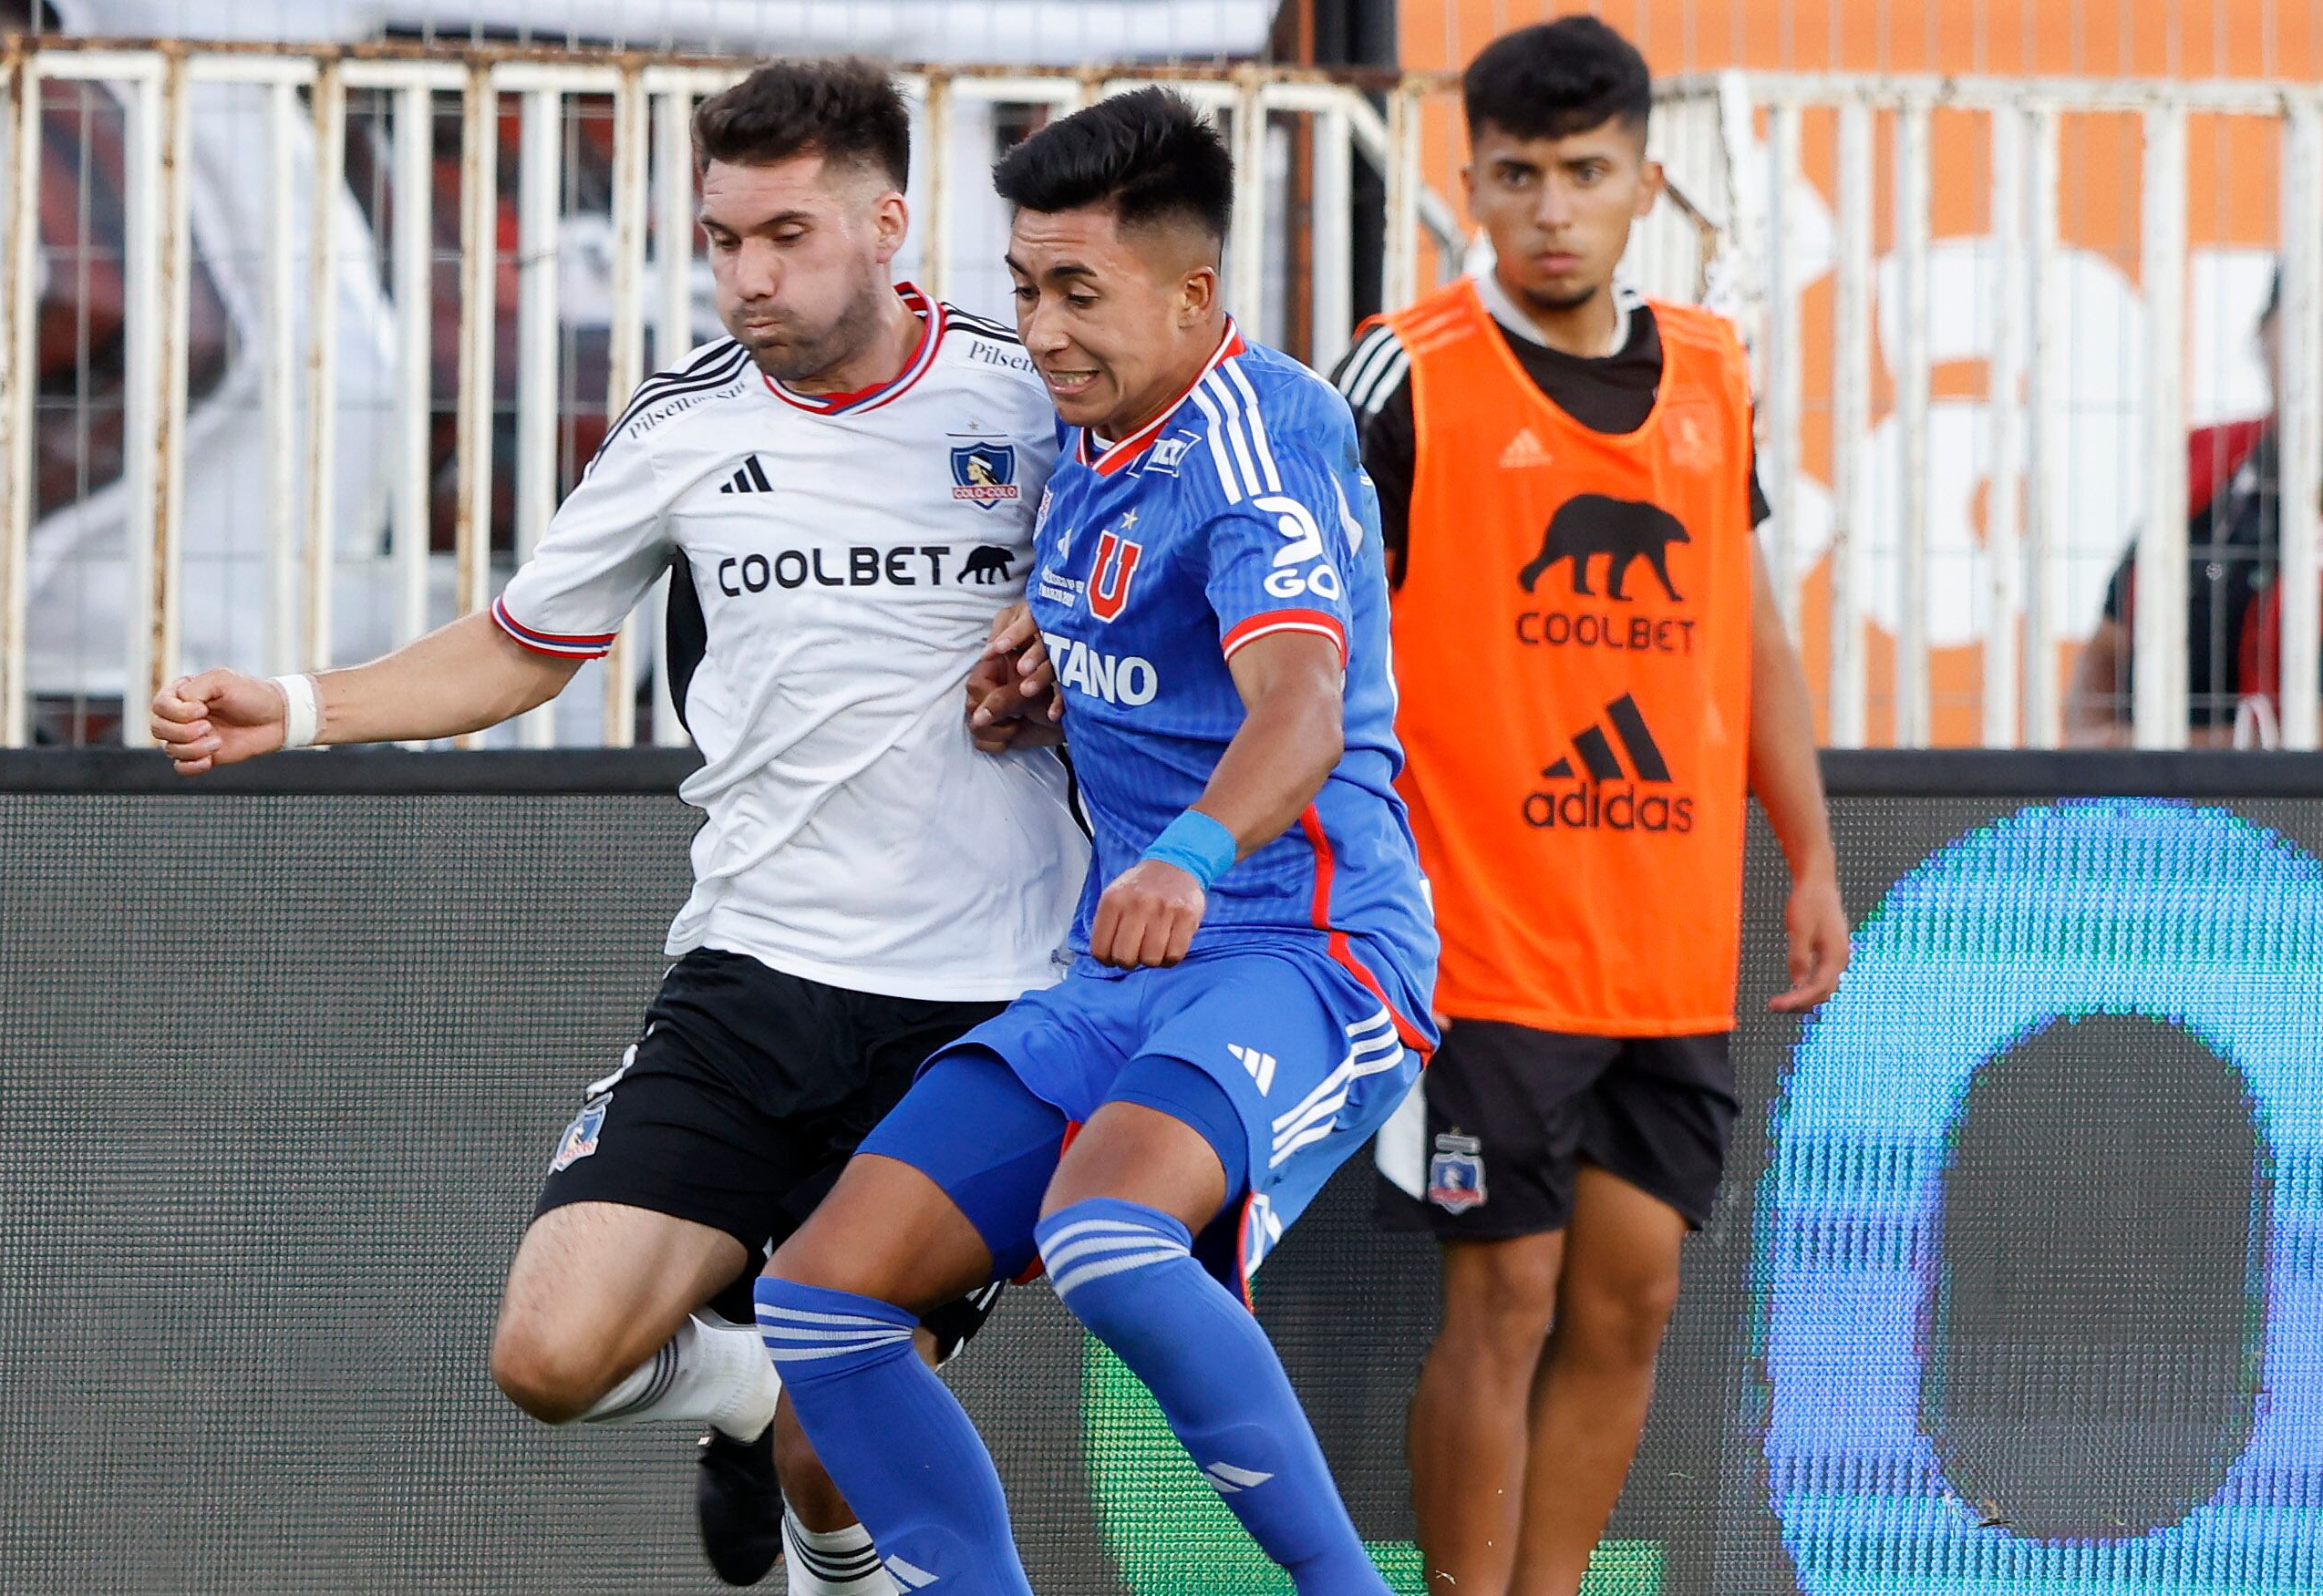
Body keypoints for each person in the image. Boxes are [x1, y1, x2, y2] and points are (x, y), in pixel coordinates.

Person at [148, 58, 1086, 1596]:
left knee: (834, 1446)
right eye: (722, 238)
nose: (747, 275)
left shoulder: (1028, 397)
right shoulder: (681, 427)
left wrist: (1057, 627)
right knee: (549, 1354)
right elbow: (524, 642)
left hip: (981, 1006)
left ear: (888, 221)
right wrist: (298, 707)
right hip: (753, 979)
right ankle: (744, 1386)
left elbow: (1168, 585)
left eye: (785, 234)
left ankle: (801, 1462)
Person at [751, 88, 1439, 1596]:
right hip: (1120, 969)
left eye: (1078, 292)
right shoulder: (1094, 436)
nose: (1041, 328)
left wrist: (1188, 850)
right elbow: (1145, 641)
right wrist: (1040, 675)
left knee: (1106, 1239)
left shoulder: (1264, 441)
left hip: (1302, 949)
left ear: (1193, 292)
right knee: (817, 1302)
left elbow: (1302, 703)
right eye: (1021, 288)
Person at [1324, 17, 1848, 1595]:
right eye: (1516, 175)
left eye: (1583, 173)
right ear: (1468, 179)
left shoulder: (1709, 373)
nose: (1549, 208)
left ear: (1641, 182)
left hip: (1667, 943)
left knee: (1630, 1301)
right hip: (1479, 939)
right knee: (1507, 1294)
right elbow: (1294, 603)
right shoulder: (1402, 372)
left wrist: (1808, 852)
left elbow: (1744, 627)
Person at [2066, 267, 2320, 747]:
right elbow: (2108, 643)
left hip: (2294, 805)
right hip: (2161, 800)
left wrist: (2168, 752)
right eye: (2306, 321)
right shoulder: (2210, 464)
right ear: (2263, 337)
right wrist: (2094, 741)